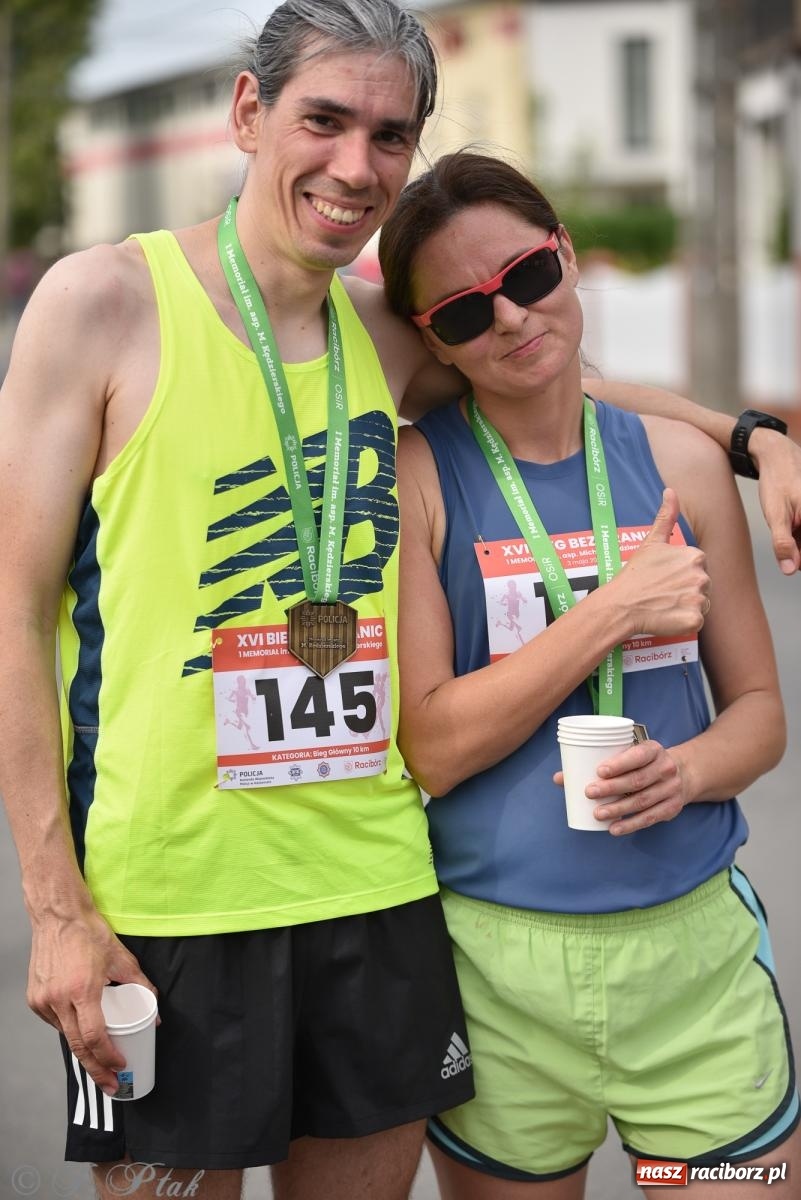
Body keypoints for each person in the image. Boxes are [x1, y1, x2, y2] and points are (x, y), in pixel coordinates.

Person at [0, 2, 800, 1195]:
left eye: (389, 135)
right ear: (249, 111)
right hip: (167, 900)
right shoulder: (103, 303)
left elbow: (553, 377)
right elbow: (14, 618)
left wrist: (748, 438)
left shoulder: (386, 331)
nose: (355, 166)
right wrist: (56, 906)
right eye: (323, 120)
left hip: (380, 887)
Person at [379, 150, 801, 1199]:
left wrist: (687, 773)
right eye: (464, 312)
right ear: (430, 338)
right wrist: (614, 609)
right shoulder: (417, 474)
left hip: (691, 961)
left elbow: (759, 715)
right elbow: (432, 747)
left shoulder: (682, 464)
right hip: (495, 967)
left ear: (565, 253)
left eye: (526, 276)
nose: (511, 317)